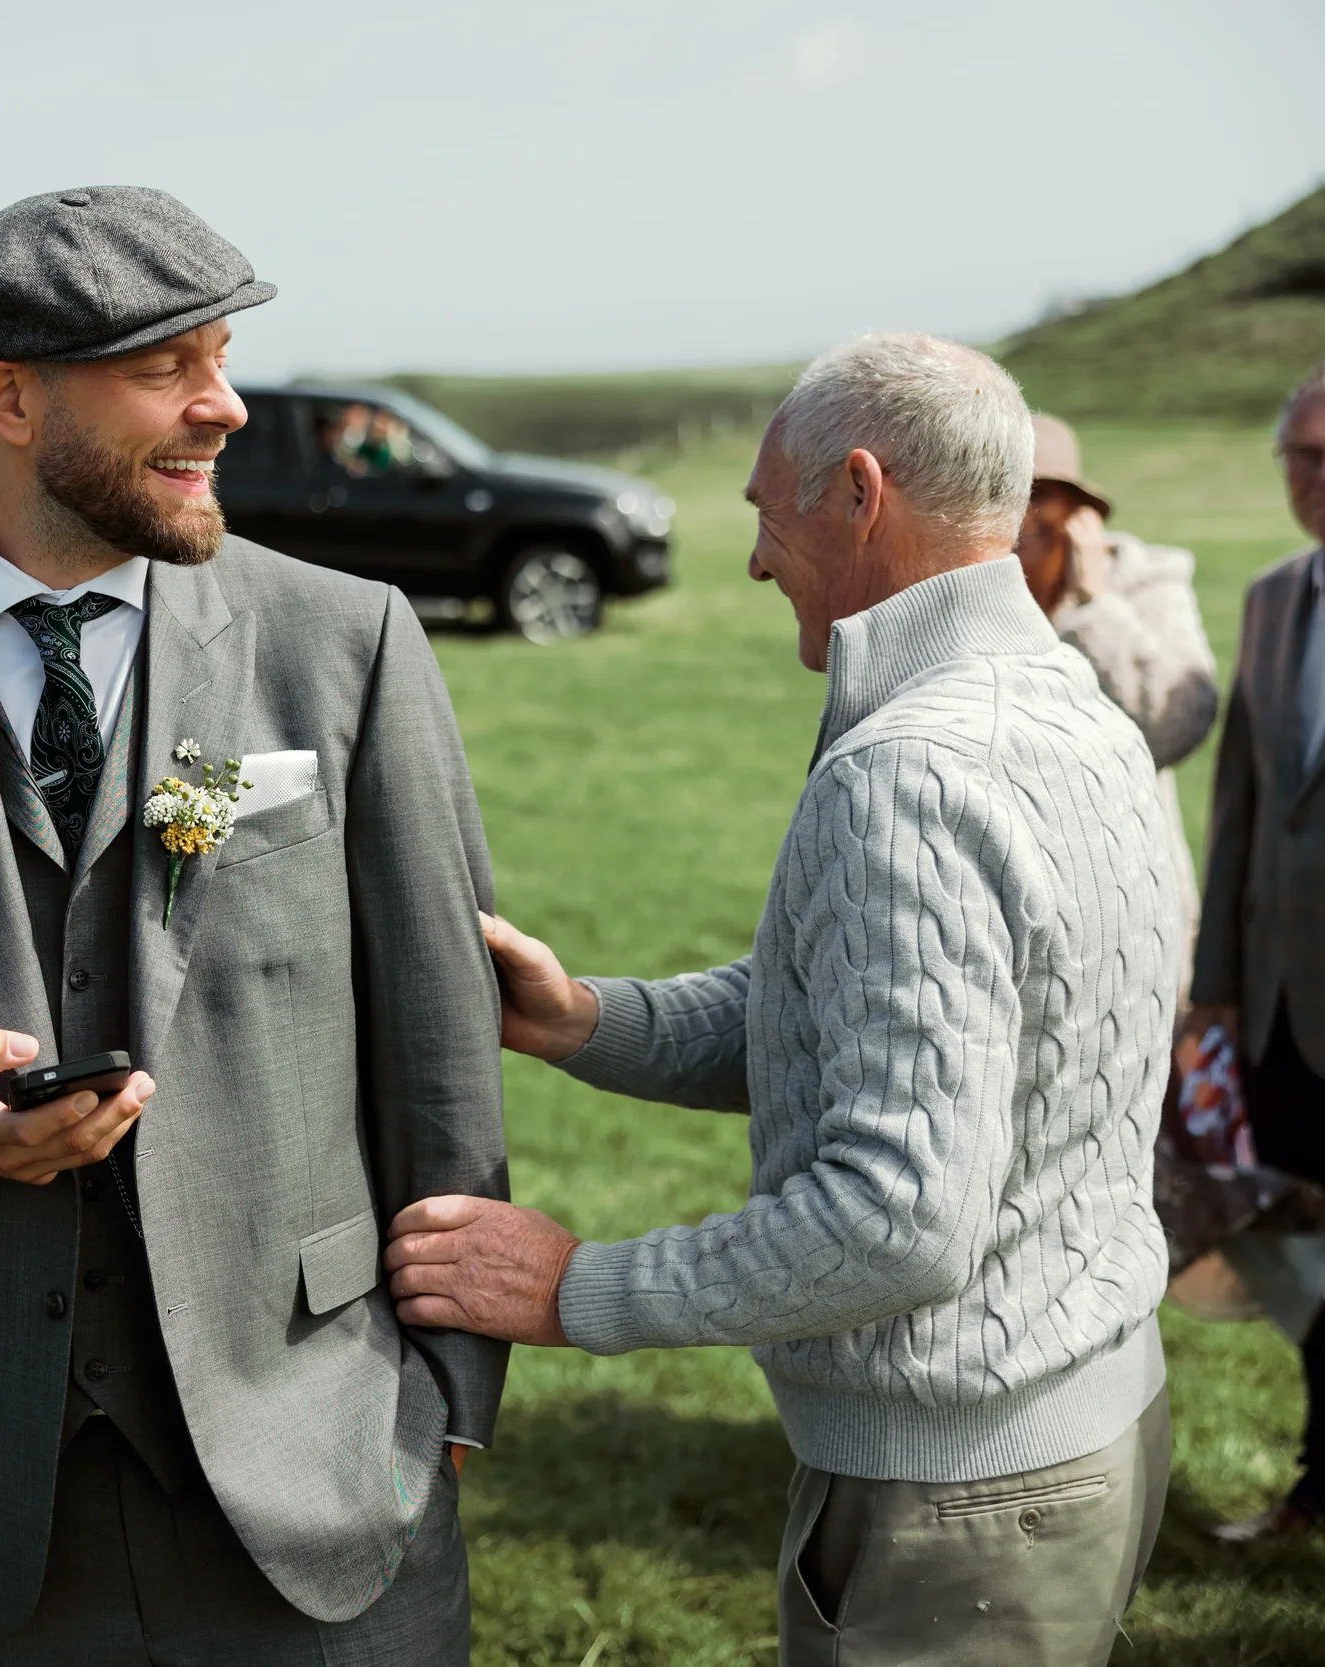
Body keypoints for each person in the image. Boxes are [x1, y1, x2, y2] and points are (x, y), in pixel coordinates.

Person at [0, 185, 509, 1665]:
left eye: (221, 358)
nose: (224, 406)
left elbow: (439, 1044)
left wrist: (446, 1393)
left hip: (321, 1450)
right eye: (166, 368)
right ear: (9, 399)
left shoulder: (349, 639)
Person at [386, 335, 1177, 1665]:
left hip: (959, 1503)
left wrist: (580, 1285)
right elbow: (882, 1011)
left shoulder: (910, 772)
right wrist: (586, 1018)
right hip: (1078, 1424)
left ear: (859, 491)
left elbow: (897, 1218)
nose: (756, 560)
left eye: (766, 511)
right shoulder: (1066, 703)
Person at [1189, 361, 1325, 1543]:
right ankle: (1318, 1485)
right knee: (1288, 1234)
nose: (1315, 475)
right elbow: (1239, 799)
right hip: (1281, 1000)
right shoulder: (1274, 597)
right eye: (1300, 455)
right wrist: (1214, 987)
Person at [1016, 412, 1218, 983]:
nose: (1021, 517)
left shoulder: (1144, 582)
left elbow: (1175, 724)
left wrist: (1094, 604)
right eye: (1003, 494)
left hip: (1130, 905)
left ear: (1080, 515)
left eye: (1040, 497)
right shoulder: (969, 592)